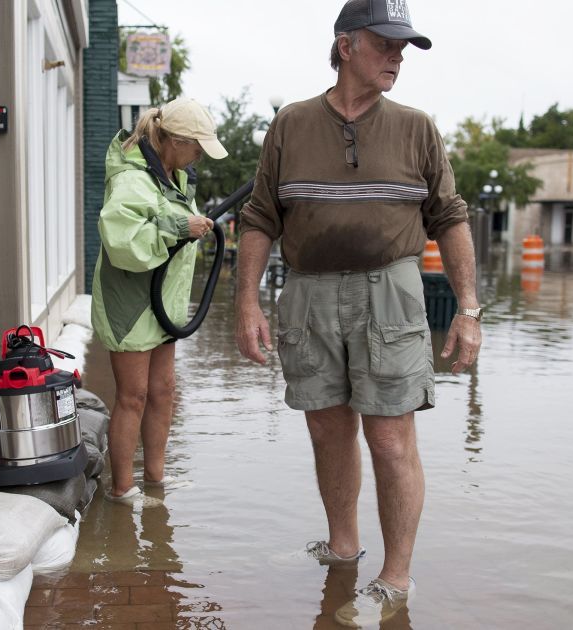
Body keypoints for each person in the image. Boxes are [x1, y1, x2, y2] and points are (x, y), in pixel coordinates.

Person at [234, 0, 482, 626]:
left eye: (405, 46)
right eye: (386, 43)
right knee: (327, 427)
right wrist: (246, 303)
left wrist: (469, 309)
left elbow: (449, 219)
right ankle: (342, 547)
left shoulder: (417, 127)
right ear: (345, 46)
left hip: (392, 292)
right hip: (308, 291)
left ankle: (396, 580)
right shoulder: (290, 124)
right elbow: (261, 217)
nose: (398, 56)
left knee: (390, 437)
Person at [90, 98, 228, 506]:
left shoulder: (174, 176)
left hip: (162, 305)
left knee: (164, 390)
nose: (200, 155)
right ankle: (121, 489)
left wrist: (182, 225)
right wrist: (177, 225)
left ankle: (155, 478)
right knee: (133, 395)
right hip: (131, 304)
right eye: (197, 147)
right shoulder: (133, 179)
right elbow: (121, 241)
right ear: (172, 140)